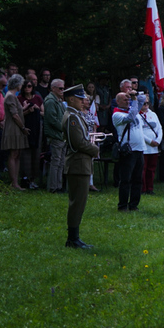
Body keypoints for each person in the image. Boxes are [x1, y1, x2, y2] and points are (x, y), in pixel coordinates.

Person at [62, 85, 99, 249]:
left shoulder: (76, 115)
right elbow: (77, 143)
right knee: (77, 202)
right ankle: (72, 238)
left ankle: (74, 237)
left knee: (80, 202)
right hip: (77, 163)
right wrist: (95, 149)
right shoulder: (72, 117)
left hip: (81, 163)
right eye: (79, 98)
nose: (83, 101)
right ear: (71, 99)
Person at [112, 91, 146, 211]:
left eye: (128, 100)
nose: (128, 102)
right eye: (125, 100)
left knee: (138, 179)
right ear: (118, 102)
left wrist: (135, 93)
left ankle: (134, 205)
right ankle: (122, 205)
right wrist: (134, 99)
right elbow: (130, 118)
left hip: (139, 149)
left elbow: (142, 99)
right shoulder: (117, 115)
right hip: (128, 150)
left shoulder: (133, 108)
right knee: (126, 179)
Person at [1, 74, 31, 190]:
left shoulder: (13, 96)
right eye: (21, 83)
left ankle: (16, 182)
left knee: (17, 154)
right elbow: (14, 115)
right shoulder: (10, 96)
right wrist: (23, 128)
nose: (22, 86)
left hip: (17, 128)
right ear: (17, 84)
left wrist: (25, 109)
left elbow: (17, 112)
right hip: (13, 128)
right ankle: (14, 183)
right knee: (13, 154)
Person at [19, 79, 44, 188]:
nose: (27, 88)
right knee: (25, 154)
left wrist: (37, 109)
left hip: (37, 127)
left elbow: (44, 112)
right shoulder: (19, 99)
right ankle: (25, 177)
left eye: (29, 86)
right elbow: (17, 114)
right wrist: (28, 111)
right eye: (25, 86)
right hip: (25, 127)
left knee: (36, 153)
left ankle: (34, 178)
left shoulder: (37, 98)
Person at [140, 97, 162, 194]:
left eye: (147, 103)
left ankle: (150, 188)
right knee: (143, 168)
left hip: (154, 147)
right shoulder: (137, 115)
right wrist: (149, 141)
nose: (145, 105)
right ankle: (143, 188)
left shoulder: (152, 114)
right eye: (143, 103)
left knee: (152, 168)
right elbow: (139, 131)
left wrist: (158, 140)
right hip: (144, 146)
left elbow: (159, 128)